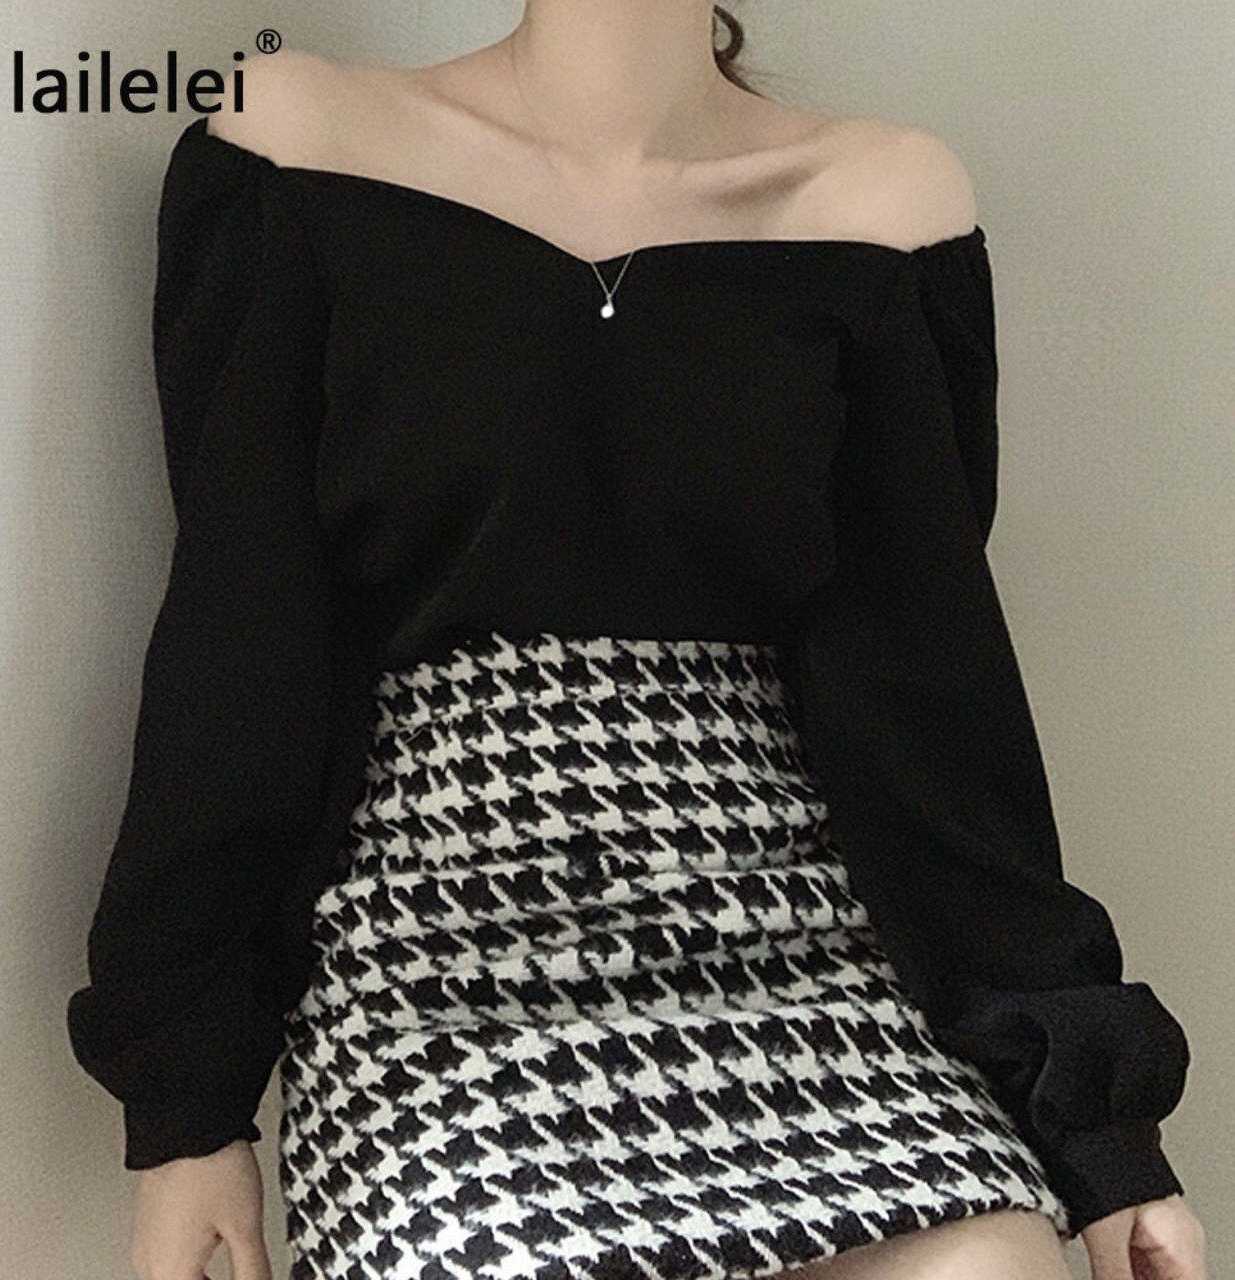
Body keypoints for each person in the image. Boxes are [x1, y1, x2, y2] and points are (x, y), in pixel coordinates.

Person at [67, 4, 1207, 1279]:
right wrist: (188, 1107)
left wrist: (1100, 1134)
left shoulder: (879, 201)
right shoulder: (299, 140)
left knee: (989, 1262)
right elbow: (237, 648)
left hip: (795, 934)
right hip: (439, 955)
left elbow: (933, 701)